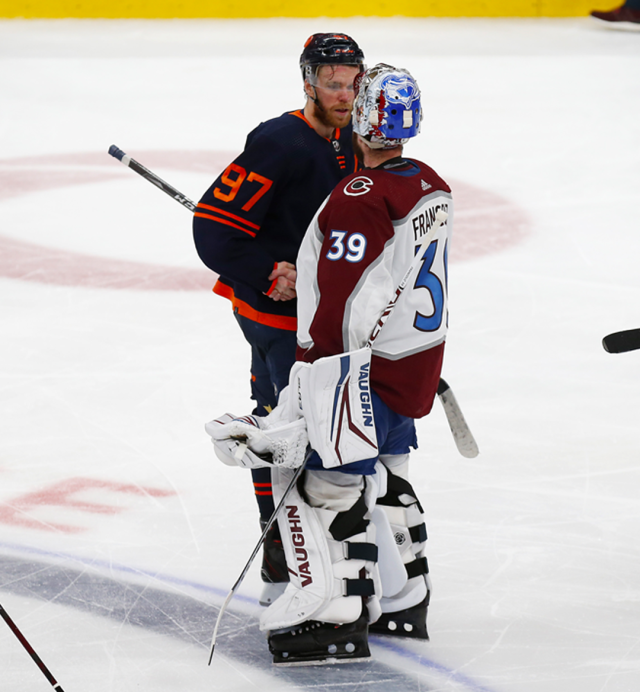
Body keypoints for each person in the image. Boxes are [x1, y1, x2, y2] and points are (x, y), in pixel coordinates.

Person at [208, 63, 453, 666]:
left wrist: (307, 383)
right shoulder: (430, 183)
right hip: (410, 362)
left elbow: (345, 303)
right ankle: (402, 594)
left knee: (325, 491)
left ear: (366, 117)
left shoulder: (358, 198)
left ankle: (328, 616)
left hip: (355, 374)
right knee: (384, 478)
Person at [192, 34, 365, 605]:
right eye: (333, 84)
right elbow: (214, 230)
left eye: (353, 82)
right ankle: (279, 549)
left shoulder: (351, 134)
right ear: (308, 83)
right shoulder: (279, 142)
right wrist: (268, 270)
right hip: (274, 318)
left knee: (319, 427)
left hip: (320, 318)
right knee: (282, 432)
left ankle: (312, 544)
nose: (344, 94)